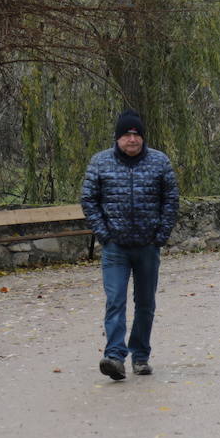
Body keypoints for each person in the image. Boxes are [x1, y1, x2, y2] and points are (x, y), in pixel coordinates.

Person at [80, 109, 180, 381]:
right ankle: (114, 356)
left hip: (148, 246)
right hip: (116, 248)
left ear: (143, 137)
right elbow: (89, 199)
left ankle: (140, 356)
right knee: (115, 301)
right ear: (117, 138)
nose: (132, 139)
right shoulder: (100, 163)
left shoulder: (160, 162)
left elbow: (170, 200)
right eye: (126, 134)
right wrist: (104, 234)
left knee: (145, 303)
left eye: (137, 134)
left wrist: (160, 235)